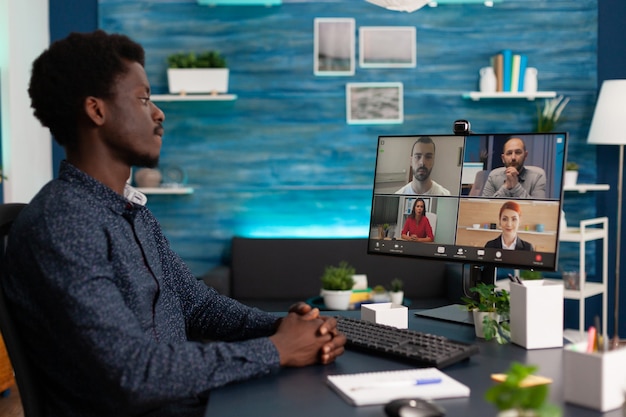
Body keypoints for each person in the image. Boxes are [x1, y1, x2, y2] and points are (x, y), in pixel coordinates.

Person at [1, 30, 346, 417]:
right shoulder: (63, 223)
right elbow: (132, 373)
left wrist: (288, 327)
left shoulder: (133, 213)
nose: (159, 113)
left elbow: (198, 305)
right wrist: (278, 349)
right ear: (96, 110)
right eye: (144, 99)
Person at [481, 136, 546, 198]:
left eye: (518, 152)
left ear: (525, 155)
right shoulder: (493, 176)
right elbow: (485, 206)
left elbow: (537, 208)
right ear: (503, 158)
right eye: (509, 153)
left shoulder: (538, 176)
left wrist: (516, 186)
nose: (513, 157)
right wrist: (506, 187)